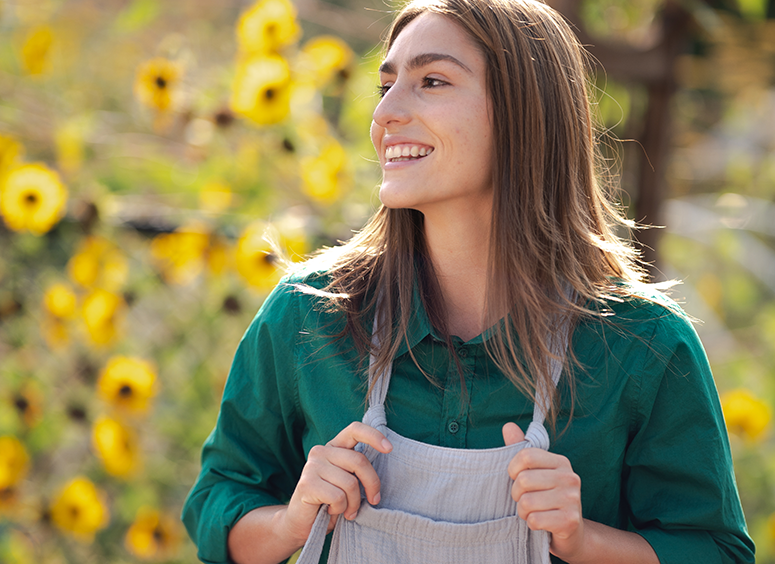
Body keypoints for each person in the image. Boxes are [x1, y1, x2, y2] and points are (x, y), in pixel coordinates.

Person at [182, 0, 755, 562]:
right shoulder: (307, 317)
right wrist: (290, 521)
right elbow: (217, 502)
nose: (385, 115)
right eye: (386, 86)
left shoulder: (645, 346)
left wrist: (585, 542)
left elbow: (717, 550)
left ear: (524, 113)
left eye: (432, 81)